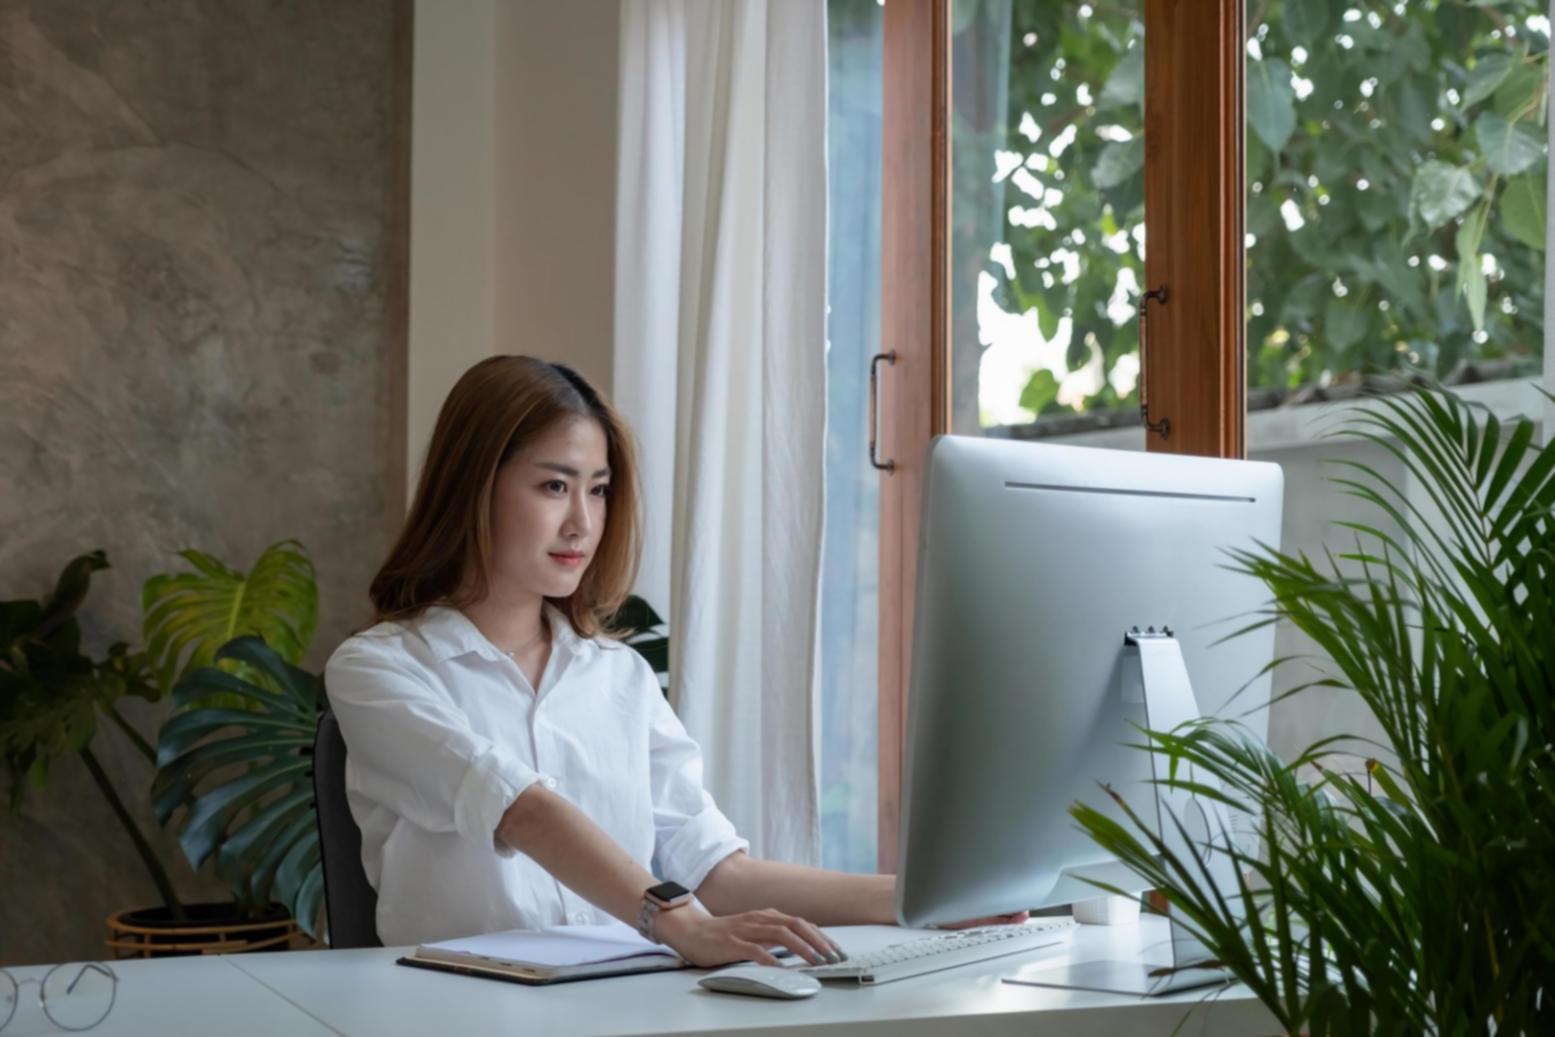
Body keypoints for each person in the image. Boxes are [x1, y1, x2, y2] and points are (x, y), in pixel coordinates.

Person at [325, 355, 1024, 967]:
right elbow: (518, 810)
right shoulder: (379, 669)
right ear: (472, 486)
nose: (582, 522)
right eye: (553, 486)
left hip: (622, 1011)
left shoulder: (618, 676)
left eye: (597, 489)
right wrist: (677, 921)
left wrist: (917, 902)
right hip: (454, 1015)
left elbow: (717, 871)